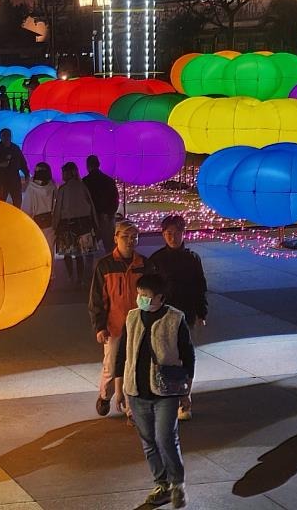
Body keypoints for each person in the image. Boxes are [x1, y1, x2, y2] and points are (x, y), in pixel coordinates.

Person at [114, 273, 194, 509]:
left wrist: (186, 390)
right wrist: (119, 390)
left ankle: (177, 484)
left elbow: (188, 356)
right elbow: (122, 356)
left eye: (146, 296)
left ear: (160, 297)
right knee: (148, 440)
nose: (141, 300)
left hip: (166, 391)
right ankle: (162, 485)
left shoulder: (175, 319)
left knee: (165, 438)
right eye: (139, 295)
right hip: (136, 391)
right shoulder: (131, 317)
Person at [89, 220, 156, 418]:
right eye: (125, 237)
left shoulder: (145, 265)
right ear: (116, 238)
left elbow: (152, 295)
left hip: (138, 326)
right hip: (114, 326)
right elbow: (96, 299)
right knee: (111, 366)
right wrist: (99, 326)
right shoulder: (105, 266)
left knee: (135, 365)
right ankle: (105, 395)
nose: (130, 241)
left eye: (134, 237)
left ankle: (131, 406)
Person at [149, 214, 208, 421]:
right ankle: (165, 395)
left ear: (184, 234)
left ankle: (185, 399)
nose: (172, 238)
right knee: (163, 356)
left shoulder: (192, 259)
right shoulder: (156, 260)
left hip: (186, 315)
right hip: (163, 316)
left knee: (185, 357)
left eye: (176, 233)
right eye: (168, 234)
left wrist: (202, 312)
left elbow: (200, 287)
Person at [52, 162, 98, 288]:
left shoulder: (63, 189)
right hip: (84, 225)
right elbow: (91, 206)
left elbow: (58, 209)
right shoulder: (82, 186)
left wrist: (55, 225)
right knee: (80, 254)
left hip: (68, 225)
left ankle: (71, 276)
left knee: (67, 252)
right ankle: (80, 278)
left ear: (67, 173)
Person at [83, 155, 120, 253]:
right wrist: (110, 213)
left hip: (91, 219)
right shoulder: (108, 180)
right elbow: (115, 199)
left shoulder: (85, 182)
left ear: (88, 166)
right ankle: (111, 266)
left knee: (89, 249)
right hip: (106, 217)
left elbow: (84, 201)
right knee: (109, 247)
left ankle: (89, 268)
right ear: (98, 165)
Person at [21, 161, 57, 254]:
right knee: (49, 252)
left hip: (36, 226)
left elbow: (26, 210)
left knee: (37, 252)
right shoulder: (53, 187)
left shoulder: (31, 189)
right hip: (50, 226)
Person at [0, 128, 29, 207]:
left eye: (8, 136)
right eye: (4, 136)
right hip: (1, 180)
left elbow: (22, 162)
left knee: (17, 201)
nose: (6, 138)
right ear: (1, 137)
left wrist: (26, 173)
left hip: (14, 179)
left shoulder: (15, 148)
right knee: (0, 203)